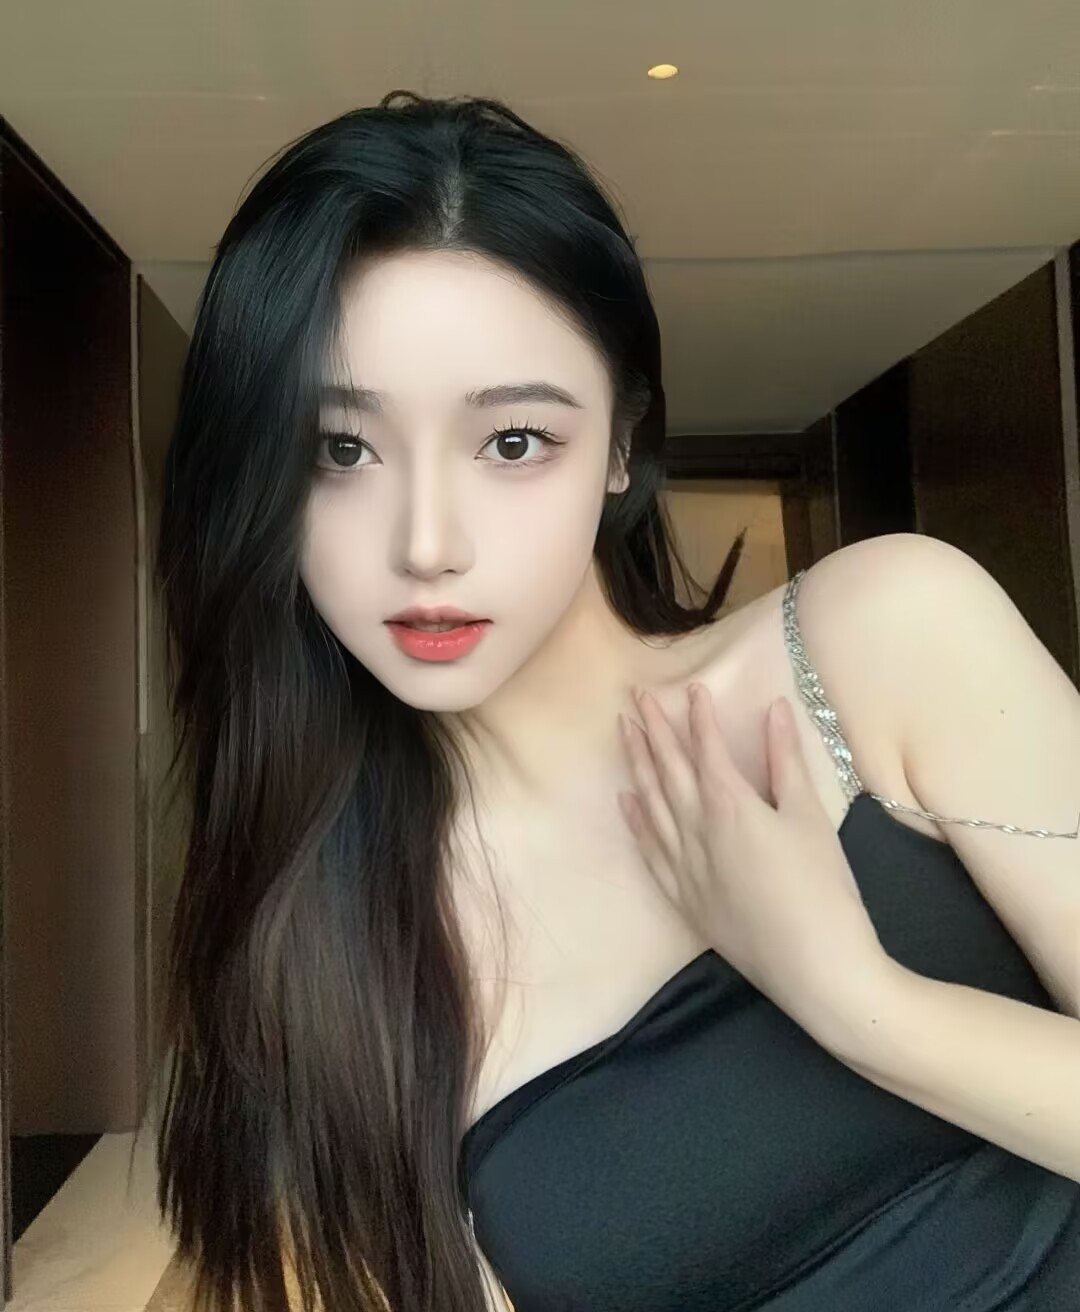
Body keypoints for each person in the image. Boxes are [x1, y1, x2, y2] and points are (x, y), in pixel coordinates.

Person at [143, 90, 1080, 1312]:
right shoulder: (322, 940)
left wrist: (863, 1003)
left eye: (512, 442)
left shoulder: (880, 640)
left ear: (622, 446)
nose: (427, 544)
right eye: (341, 449)